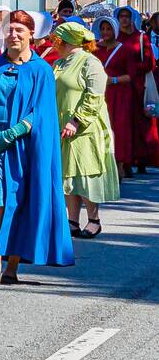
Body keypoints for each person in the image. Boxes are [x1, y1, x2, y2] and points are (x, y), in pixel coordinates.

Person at [0, 10, 74, 284]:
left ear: (31, 35)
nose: (13, 34)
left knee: (18, 203)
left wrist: (15, 131)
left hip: (24, 148)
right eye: (10, 30)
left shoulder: (42, 70)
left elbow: (42, 111)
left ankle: (12, 267)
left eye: (20, 30)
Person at [52, 22, 121, 239]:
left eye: (58, 37)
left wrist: (77, 120)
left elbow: (94, 94)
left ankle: (94, 220)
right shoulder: (61, 62)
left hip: (85, 128)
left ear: (68, 40)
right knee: (69, 175)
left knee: (85, 174)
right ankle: (72, 220)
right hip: (63, 126)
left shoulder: (90, 62)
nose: (54, 41)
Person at [90, 16, 139, 180]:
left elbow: (131, 75)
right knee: (101, 128)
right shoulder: (96, 49)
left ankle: (119, 166)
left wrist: (113, 80)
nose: (105, 32)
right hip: (100, 94)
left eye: (109, 29)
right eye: (103, 29)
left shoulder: (124, 50)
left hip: (119, 95)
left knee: (119, 129)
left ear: (115, 30)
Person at [112, 6, 159, 175]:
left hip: (139, 86)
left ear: (132, 18)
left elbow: (150, 63)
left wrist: (131, 69)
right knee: (122, 124)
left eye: (127, 16)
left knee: (143, 124)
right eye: (121, 16)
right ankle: (124, 161)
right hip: (120, 87)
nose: (124, 19)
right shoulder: (115, 37)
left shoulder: (140, 37)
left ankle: (142, 160)